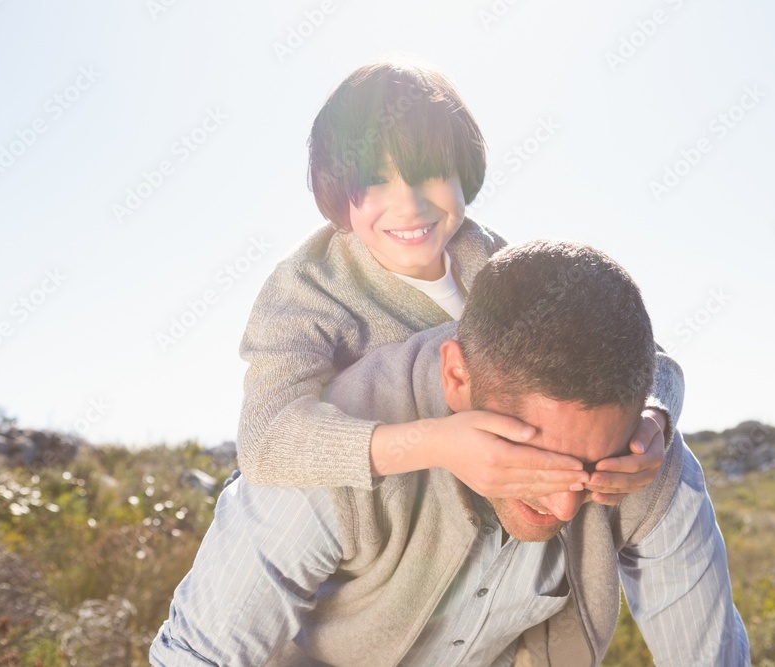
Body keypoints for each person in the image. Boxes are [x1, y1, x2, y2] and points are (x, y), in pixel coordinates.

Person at [151, 240, 750, 666]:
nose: (568, 505)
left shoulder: (646, 459)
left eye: (590, 468)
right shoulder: (328, 451)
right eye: (534, 459)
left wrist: (659, 405)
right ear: (457, 378)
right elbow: (199, 657)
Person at [237, 61, 685, 503]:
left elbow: (642, 355)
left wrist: (652, 417)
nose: (409, 205)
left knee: (673, 468)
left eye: (430, 173)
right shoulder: (307, 287)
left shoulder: (490, 256)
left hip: (505, 516)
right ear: (336, 188)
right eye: (375, 180)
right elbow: (266, 439)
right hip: (372, 525)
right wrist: (437, 444)